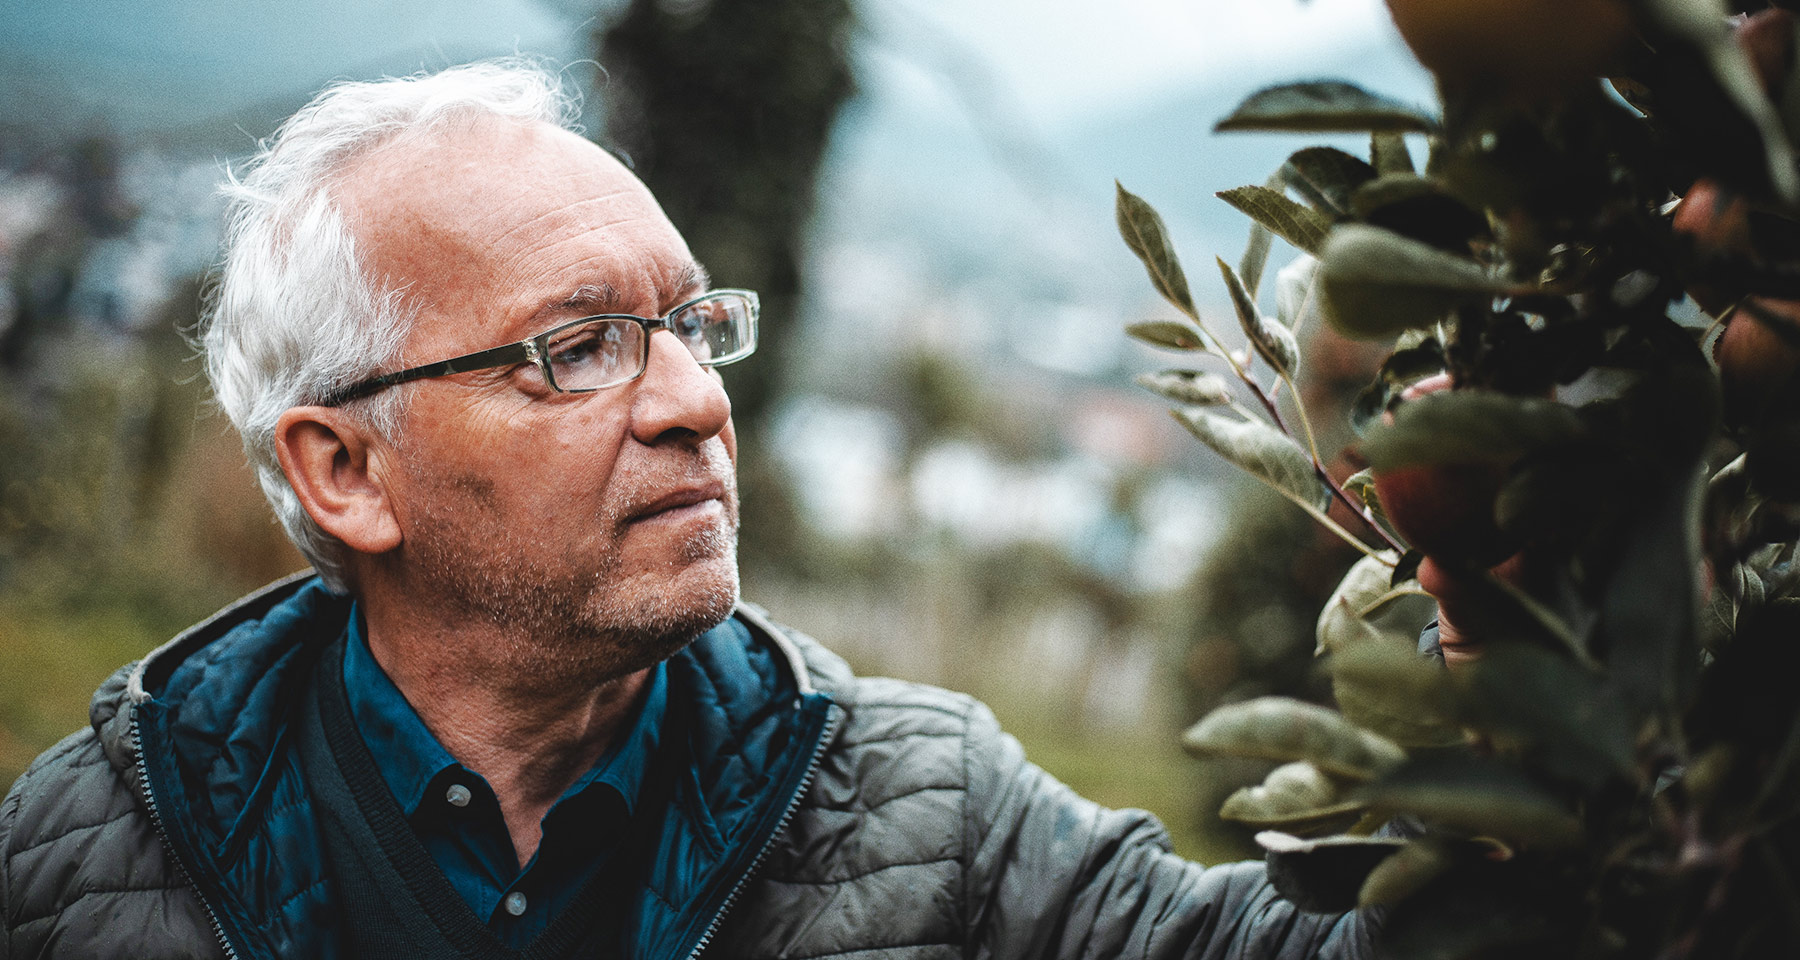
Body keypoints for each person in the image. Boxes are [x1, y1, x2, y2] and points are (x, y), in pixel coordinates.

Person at [0, 60, 1375, 959]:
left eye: (689, 326)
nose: (693, 403)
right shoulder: (82, 862)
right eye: (577, 347)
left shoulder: (923, 814)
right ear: (347, 472)